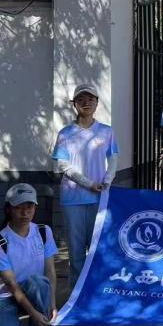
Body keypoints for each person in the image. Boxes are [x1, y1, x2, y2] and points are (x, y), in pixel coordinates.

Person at [52, 83, 117, 287]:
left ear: (97, 103)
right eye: (81, 99)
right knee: (76, 249)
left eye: (90, 99)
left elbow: (113, 158)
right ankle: (76, 293)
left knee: (98, 248)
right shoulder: (65, 133)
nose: (86, 103)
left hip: (99, 198)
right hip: (73, 199)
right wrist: (88, 183)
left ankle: (96, 290)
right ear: (74, 104)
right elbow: (62, 164)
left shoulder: (106, 132)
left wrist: (108, 180)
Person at [0, 184, 59, 326]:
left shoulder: (44, 231)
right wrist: (33, 313)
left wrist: (52, 304)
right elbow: (11, 285)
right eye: (19, 208)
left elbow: (50, 271)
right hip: (6, 295)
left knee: (40, 282)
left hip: (34, 288)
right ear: (8, 209)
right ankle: (7, 320)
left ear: (35, 208)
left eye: (29, 207)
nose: (25, 213)